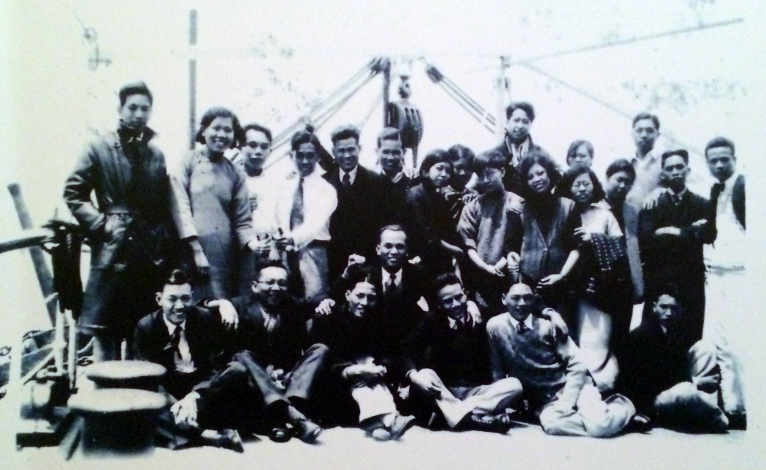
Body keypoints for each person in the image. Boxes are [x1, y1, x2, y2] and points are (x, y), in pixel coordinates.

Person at [63, 81, 180, 361]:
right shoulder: (98, 147)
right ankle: (104, 384)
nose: (139, 114)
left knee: (144, 326)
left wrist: (163, 243)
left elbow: (163, 204)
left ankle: (140, 385)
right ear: (120, 109)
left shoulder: (156, 154)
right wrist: (101, 224)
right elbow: (73, 192)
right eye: (132, 108)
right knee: (106, 327)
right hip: (113, 249)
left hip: (148, 253)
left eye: (145, 109)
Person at [487, 282, 636, 437]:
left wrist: (567, 402)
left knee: (600, 426)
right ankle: (603, 421)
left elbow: (578, 365)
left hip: (576, 386)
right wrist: (501, 407)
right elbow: (498, 370)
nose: (522, 303)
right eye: (515, 298)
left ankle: (622, 407)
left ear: (534, 300)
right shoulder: (495, 327)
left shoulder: (548, 326)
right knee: (552, 425)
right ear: (504, 299)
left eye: (528, 298)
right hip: (547, 401)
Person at [133, 270, 243, 452]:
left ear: (192, 297)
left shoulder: (203, 318)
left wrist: (194, 396)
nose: (179, 306)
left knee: (237, 370)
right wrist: (177, 404)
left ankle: (183, 429)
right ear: (159, 299)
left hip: (200, 388)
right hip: (169, 389)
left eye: (185, 299)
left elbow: (215, 366)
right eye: (172, 299)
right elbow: (149, 376)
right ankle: (205, 434)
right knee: (141, 398)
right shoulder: (147, 327)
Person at [223, 262, 328, 443]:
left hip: (287, 377)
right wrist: (221, 303)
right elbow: (200, 307)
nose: (276, 288)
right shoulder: (239, 305)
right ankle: (294, 417)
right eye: (269, 282)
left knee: (320, 349)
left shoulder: (291, 305)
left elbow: (317, 300)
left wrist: (328, 298)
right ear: (255, 286)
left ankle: (282, 413)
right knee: (241, 355)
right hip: (257, 381)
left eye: (282, 283)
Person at [402, 273, 521, 433]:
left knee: (515, 385)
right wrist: (413, 375)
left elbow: (511, 311)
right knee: (424, 375)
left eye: (459, 297)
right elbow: (405, 349)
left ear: (465, 293)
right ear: (439, 304)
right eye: (448, 301)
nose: (456, 304)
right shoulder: (432, 320)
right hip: (444, 390)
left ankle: (455, 415)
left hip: (477, 390)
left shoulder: (481, 316)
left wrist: (549, 312)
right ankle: (475, 417)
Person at [311, 268, 417, 440]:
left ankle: (377, 423)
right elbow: (322, 360)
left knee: (371, 370)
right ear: (348, 295)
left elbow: (393, 352)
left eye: (371, 298)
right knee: (361, 374)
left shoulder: (381, 319)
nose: (365, 303)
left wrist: (381, 368)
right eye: (359, 296)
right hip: (338, 383)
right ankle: (391, 419)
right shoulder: (329, 317)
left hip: (373, 379)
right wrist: (353, 371)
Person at [170, 107, 257, 301]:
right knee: (188, 302)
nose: (221, 134)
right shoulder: (187, 162)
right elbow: (179, 207)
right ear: (203, 130)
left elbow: (243, 221)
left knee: (220, 304)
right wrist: (196, 250)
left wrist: (255, 244)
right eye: (216, 128)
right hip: (188, 250)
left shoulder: (236, 173)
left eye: (228, 130)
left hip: (222, 254)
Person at [619, 285, 730, 433]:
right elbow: (649, 381)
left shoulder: (676, 333)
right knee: (686, 390)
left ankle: (704, 405)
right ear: (654, 307)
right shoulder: (641, 336)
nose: (669, 313)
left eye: (674, 308)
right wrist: (696, 382)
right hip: (649, 400)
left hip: (673, 390)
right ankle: (717, 419)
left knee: (705, 347)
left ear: (681, 310)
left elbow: (679, 368)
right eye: (664, 307)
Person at [556, 166, 628, 392]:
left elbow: (620, 246)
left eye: (586, 183)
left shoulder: (604, 214)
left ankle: (597, 387)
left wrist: (594, 238)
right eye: (576, 184)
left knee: (595, 339)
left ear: (594, 185)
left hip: (597, 288)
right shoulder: (562, 212)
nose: (581, 189)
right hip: (567, 287)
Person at [638, 149, 717, 349]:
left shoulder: (702, 204)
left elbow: (708, 234)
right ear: (663, 173)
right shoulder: (652, 204)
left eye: (680, 167)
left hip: (690, 280)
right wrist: (690, 232)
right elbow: (646, 240)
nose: (675, 172)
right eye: (670, 168)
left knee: (690, 335)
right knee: (652, 335)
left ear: (688, 170)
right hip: (659, 279)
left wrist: (674, 231)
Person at [702, 137, 747, 429]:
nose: (719, 164)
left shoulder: (744, 187)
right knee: (720, 343)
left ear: (734, 159)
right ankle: (733, 407)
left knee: (740, 341)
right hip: (715, 273)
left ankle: (746, 405)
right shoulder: (714, 190)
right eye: (713, 160)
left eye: (724, 159)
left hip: (740, 274)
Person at [511, 149, 580, 317]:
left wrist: (562, 275)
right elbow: (512, 246)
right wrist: (512, 257)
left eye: (540, 173)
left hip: (562, 288)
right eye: (530, 177)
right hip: (529, 290)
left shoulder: (568, 206)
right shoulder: (519, 209)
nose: (536, 179)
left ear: (549, 173)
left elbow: (576, 247)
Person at [457, 150, 524, 316]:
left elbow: (521, 240)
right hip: (479, 276)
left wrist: (502, 263)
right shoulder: (473, 206)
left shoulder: (517, 202)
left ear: (503, 171)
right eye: (481, 176)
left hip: (511, 277)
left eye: (490, 174)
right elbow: (468, 243)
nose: (485, 180)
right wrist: (485, 267)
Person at [274, 130, 338, 301]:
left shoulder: (326, 190)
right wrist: (281, 237)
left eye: (310, 156)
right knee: (285, 300)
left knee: (313, 299)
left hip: (313, 251)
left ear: (318, 156)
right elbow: (278, 217)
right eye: (300, 155)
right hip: (285, 253)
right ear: (291, 155)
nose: (305, 161)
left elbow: (315, 223)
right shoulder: (284, 186)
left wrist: (291, 239)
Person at [323, 125, 393, 280]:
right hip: (334, 265)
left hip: (369, 265)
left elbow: (384, 227)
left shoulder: (378, 183)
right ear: (334, 152)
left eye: (351, 149)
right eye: (341, 151)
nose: (347, 155)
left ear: (359, 149)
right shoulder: (324, 183)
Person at [401, 149, 463, 275]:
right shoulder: (415, 195)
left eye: (448, 171)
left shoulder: (438, 196)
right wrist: (456, 251)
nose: (444, 174)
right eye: (439, 169)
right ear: (426, 170)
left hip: (437, 257)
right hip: (419, 259)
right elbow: (427, 236)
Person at [237, 123, 282, 292]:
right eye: (252, 145)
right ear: (241, 146)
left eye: (264, 147)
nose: (258, 151)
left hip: (269, 249)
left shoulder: (276, 182)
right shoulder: (232, 179)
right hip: (241, 250)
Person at [602, 159, 644, 303]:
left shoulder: (631, 211)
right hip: (601, 280)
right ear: (608, 177)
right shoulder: (594, 207)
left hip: (625, 281)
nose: (623, 186)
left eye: (628, 182)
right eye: (619, 180)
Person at [489, 101, 540, 194]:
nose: (520, 126)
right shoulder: (493, 155)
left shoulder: (539, 155)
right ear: (507, 122)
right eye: (516, 120)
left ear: (531, 124)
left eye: (525, 122)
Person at [375, 127, 412, 216]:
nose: (390, 158)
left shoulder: (413, 183)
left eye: (396, 152)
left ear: (404, 152)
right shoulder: (368, 184)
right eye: (385, 152)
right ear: (377, 151)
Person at [443, 144, 478, 224]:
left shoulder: (475, 196)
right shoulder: (437, 194)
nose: (463, 173)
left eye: (467, 168)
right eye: (458, 168)